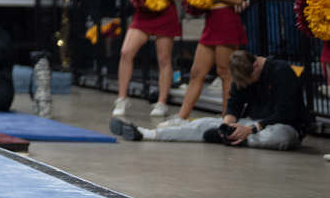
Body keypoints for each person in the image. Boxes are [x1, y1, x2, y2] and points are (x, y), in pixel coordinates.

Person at [111, 49, 308, 149]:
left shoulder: (281, 72)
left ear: (255, 66)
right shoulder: (244, 72)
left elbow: (285, 112)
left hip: (281, 126)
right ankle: (147, 134)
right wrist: (228, 123)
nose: (248, 85)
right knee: (204, 123)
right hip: (251, 124)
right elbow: (234, 102)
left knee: (280, 136)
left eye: (251, 80)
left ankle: (237, 139)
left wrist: (251, 129)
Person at [172, 0, 246, 124]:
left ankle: (227, 119)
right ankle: (181, 117)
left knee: (225, 73)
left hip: (227, 22)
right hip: (211, 22)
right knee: (197, 72)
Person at [114, 0, 184, 119]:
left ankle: (161, 102)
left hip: (165, 14)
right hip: (143, 14)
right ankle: (122, 98)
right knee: (126, 52)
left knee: (163, 59)